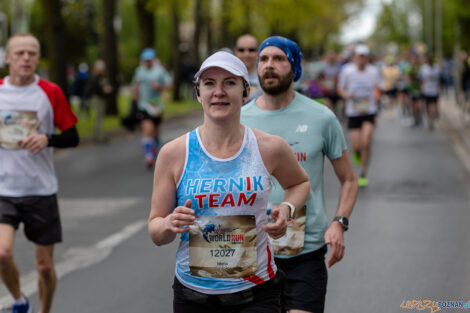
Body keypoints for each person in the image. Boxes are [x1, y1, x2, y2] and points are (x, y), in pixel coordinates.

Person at [148, 51, 310, 313]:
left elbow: (300, 183)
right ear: (198, 93)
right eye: (209, 83)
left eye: (230, 83)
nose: (219, 92)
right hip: (193, 295)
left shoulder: (269, 147)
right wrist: (168, 223)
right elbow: (155, 230)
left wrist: (288, 209)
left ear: (246, 93)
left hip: (256, 291)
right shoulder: (174, 153)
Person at [241, 36, 358, 313]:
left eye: (279, 59)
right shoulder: (240, 121)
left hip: (305, 254)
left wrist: (339, 223)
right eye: (264, 59)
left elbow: (349, 180)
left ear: (294, 66)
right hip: (252, 251)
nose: (269, 65)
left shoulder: (321, 117)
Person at [0, 33, 79, 313]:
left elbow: (72, 136)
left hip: (40, 189)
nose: (26, 58)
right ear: (7, 58)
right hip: (4, 190)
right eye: (19, 53)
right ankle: (20, 301)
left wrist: (48, 139)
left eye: (32, 53)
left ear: (38, 57)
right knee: (2, 253)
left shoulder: (50, 92)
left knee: (45, 268)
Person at [338, 44, 381, 187]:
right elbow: (340, 89)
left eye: (364, 56)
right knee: (356, 145)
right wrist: (347, 95)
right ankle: (357, 153)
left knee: (366, 142)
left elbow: (379, 87)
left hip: (369, 111)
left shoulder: (373, 71)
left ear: (368, 58)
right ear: (355, 57)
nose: (362, 59)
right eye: (359, 56)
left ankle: (363, 173)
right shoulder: (347, 71)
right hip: (353, 112)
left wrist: (378, 92)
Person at [131, 48, 172, 169]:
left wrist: (159, 87)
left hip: (157, 105)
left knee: (156, 133)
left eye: (149, 60)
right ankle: (149, 155)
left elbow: (170, 85)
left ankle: (154, 148)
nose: (147, 62)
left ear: (153, 60)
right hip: (144, 105)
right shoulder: (139, 71)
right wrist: (135, 95)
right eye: (145, 60)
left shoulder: (160, 71)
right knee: (147, 129)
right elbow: (135, 84)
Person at [85, 59, 112, 143]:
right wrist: (103, 90)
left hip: (101, 98)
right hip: (97, 99)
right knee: (98, 118)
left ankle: (99, 135)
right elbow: (95, 88)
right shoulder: (94, 77)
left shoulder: (101, 77)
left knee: (99, 117)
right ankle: (98, 136)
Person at [234, 34, 262, 102]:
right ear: (235, 51)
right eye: (241, 50)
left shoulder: (266, 78)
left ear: (258, 51)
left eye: (251, 50)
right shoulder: (227, 76)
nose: (246, 54)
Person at [419, 55, 441, 131]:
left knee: (435, 104)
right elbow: (420, 79)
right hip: (427, 90)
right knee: (428, 105)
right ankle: (429, 119)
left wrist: (440, 87)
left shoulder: (437, 68)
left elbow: (440, 79)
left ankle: (435, 115)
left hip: (435, 90)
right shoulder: (424, 68)